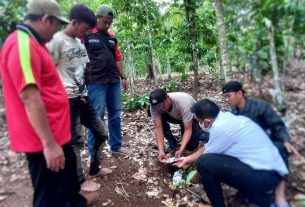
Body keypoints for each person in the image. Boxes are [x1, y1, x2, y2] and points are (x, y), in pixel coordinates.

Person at [0, 0, 97, 206]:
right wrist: (50, 144)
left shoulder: (36, 44)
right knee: (49, 193)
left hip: (57, 131)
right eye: (55, 25)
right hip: (43, 138)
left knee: (66, 182)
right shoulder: (22, 45)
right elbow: (29, 96)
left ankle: (75, 201)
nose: (56, 31)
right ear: (45, 19)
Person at [174, 99, 288, 207]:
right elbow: (208, 147)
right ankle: (260, 197)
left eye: (199, 122)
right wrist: (187, 159)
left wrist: (191, 181)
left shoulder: (220, 129)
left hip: (263, 178)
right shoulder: (228, 117)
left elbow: (205, 159)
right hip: (275, 172)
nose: (199, 124)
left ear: (207, 122)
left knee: (203, 163)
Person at [47, 4, 113, 192]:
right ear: (74, 23)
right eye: (85, 28)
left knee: (101, 132)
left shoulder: (78, 42)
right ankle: (79, 180)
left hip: (82, 97)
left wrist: (84, 93)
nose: (87, 32)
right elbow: (47, 72)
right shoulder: (56, 41)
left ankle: (94, 169)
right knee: (76, 141)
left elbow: (81, 71)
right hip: (66, 100)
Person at [222, 80, 301, 207]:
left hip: (268, 144)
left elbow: (277, 125)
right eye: (224, 97)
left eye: (228, 96)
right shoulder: (233, 114)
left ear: (240, 93)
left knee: (281, 148)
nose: (226, 99)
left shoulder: (260, 106)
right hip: (249, 149)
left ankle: (280, 195)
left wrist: (285, 141)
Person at [84, 4, 129, 155]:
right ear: (97, 18)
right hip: (95, 82)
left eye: (110, 22)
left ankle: (116, 146)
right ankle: (94, 153)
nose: (108, 24)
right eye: (105, 21)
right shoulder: (87, 35)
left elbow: (117, 59)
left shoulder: (112, 37)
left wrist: (123, 77)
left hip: (113, 81)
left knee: (115, 114)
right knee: (97, 116)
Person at [148, 88, 209, 162]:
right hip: (174, 117)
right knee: (157, 115)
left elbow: (188, 129)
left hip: (191, 118)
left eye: (162, 106)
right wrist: (161, 151)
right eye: (158, 108)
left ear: (167, 97)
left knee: (191, 146)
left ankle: (201, 133)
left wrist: (181, 149)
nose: (161, 109)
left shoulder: (184, 102)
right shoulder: (154, 107)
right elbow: (158, 128)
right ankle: (172, 143)